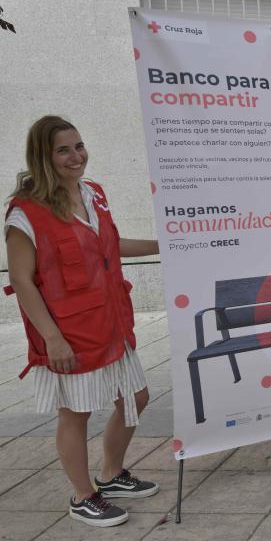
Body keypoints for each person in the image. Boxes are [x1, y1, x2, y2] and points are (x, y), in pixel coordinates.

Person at [5, 116, 160, 527]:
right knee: (75, 413)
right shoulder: (26, 213)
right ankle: (82, 496)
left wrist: (167, 244)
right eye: (63, 150)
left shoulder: (94, 194)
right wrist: (52, 338)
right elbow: (21, 280)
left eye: (79, 146)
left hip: (111, 321)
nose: (76, 156)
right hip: (68, 332)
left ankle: (110, 474)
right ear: (44, 156)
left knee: (136, 397)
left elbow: (112, 243)